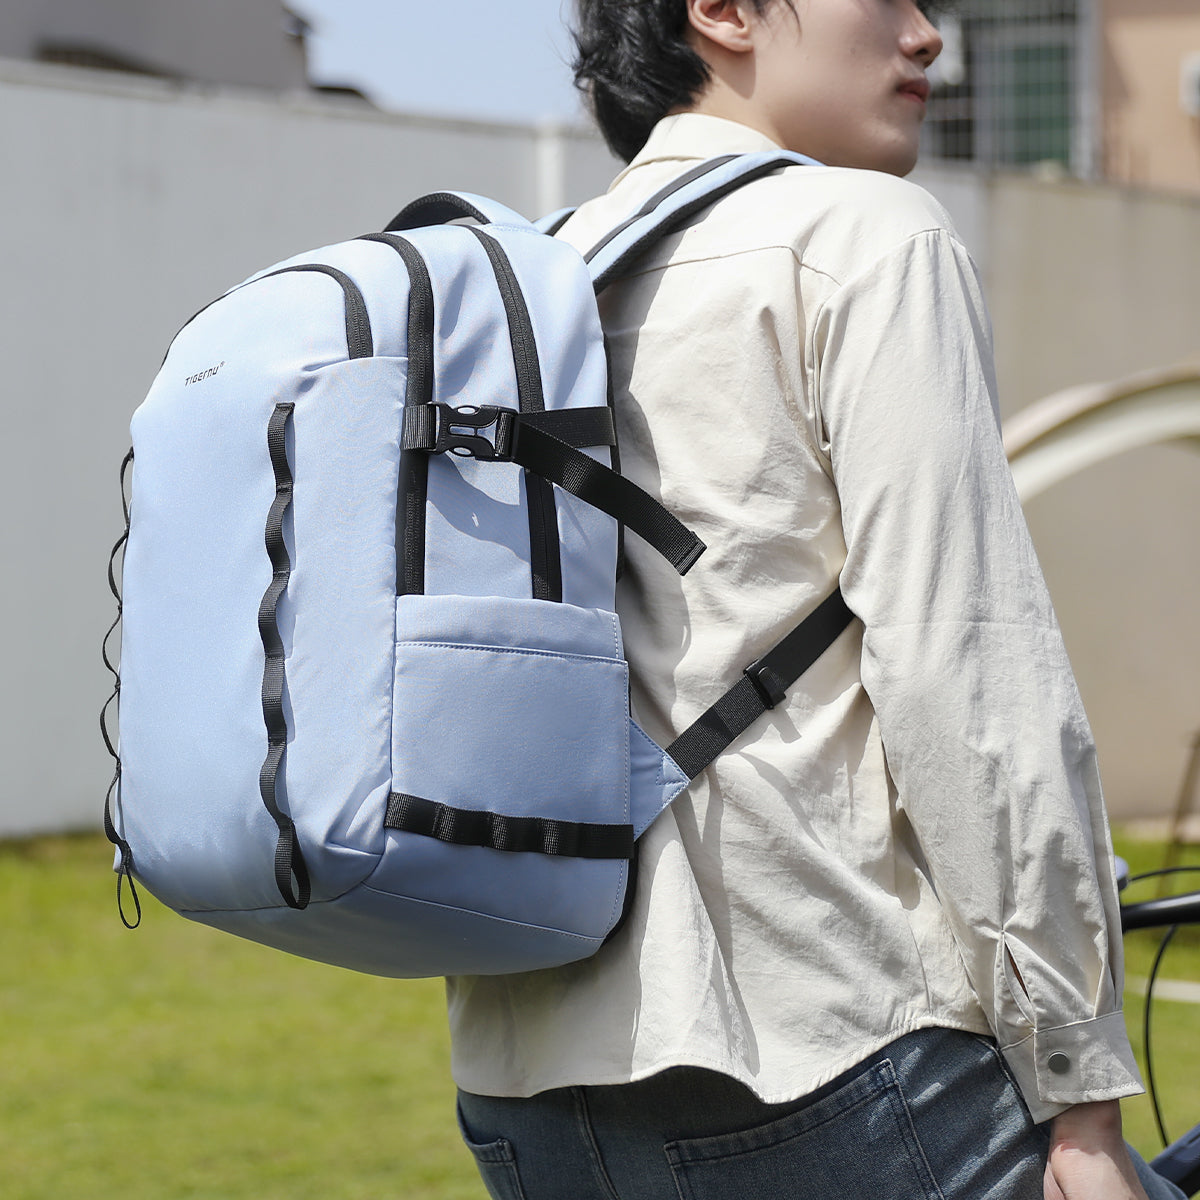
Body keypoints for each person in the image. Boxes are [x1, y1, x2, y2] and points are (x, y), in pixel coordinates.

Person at [449, 3, 1184, 1198]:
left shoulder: (538, 274)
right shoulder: (864, 232)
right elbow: (966, 676)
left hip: (522, 1084)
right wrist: (1078, 1088)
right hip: (831, 1049)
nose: (929, 35)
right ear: (724, 11)